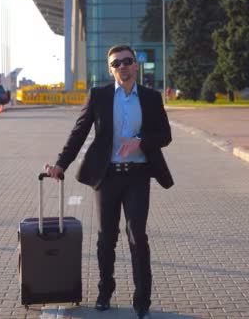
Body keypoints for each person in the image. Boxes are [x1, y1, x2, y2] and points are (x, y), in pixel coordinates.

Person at [44, 44, 173, 319]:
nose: (122, 67)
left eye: (127, 61)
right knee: (106, 238)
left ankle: (142, 300)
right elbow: (79, 132)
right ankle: (105, 291)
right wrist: (60, 164)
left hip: (138, 175)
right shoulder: (99, 95)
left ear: (136, 65)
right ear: (110, 69)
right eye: (117, 63)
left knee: (137, 236)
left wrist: (140, 141)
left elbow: (165, 134)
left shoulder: (151, 97)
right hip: (107, 177)